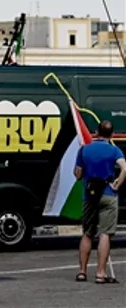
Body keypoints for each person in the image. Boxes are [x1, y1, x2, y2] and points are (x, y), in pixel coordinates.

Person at [74, 119, 125, 285]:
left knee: (87, 233)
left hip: (89, 195)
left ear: (96, 132)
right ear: (112, 134)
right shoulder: (114, 150)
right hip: (108, 194)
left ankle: (82, 272)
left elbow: (78, 174)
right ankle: (100, 273)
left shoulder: (84, 149)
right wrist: (117, 183)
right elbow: (124, 168)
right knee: (105, 234)